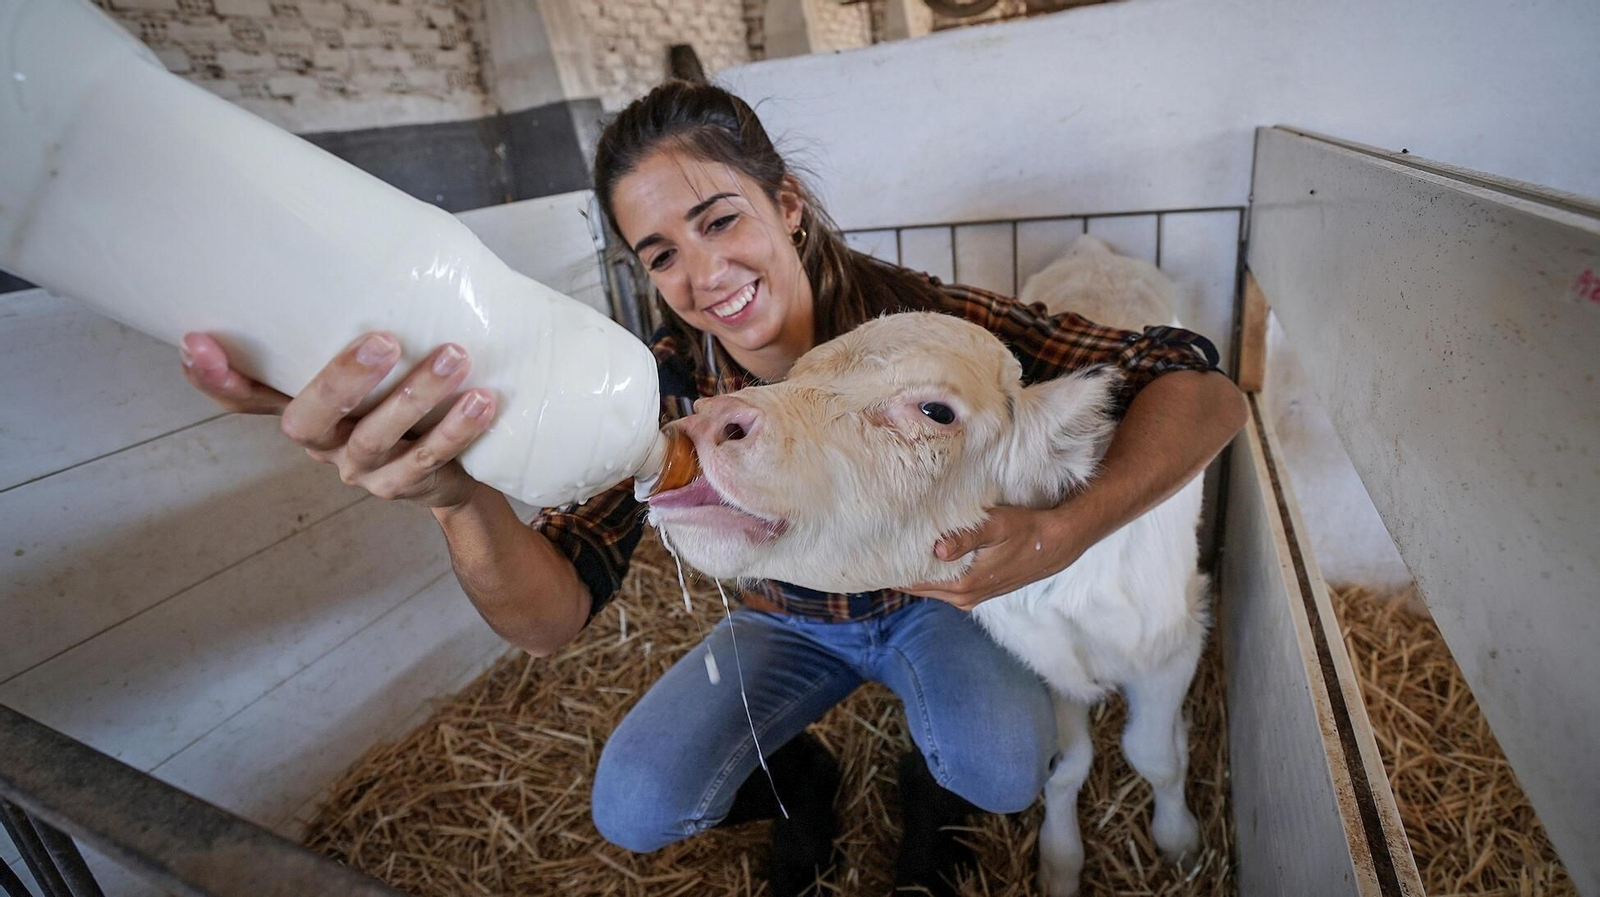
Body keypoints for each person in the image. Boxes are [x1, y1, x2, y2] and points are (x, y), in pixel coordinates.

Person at [178, 81, 1248, 895]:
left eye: (719, 218)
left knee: (1001, 769)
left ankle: (931, 776)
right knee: (636, 806)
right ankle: (808, 777)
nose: (701, 274)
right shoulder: (663, 383)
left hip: (942, 609)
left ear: (785, 205)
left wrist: (1064, 531)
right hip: (793, 626)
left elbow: (1193, 381)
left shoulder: (923, 328)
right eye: (659, 253)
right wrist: (459, 496)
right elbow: (552, 618)